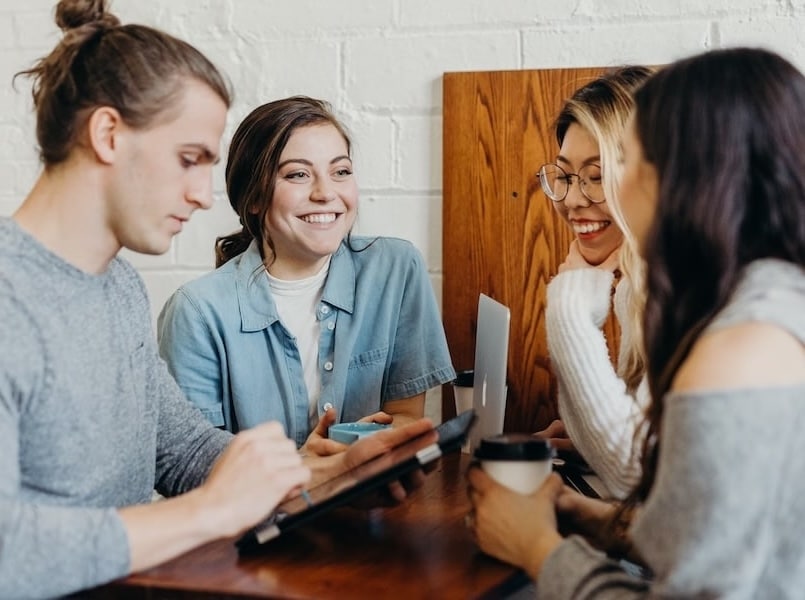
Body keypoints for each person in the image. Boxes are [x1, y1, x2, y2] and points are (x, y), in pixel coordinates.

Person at [0, 2, 434, 598]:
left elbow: (183, 451)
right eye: (188, 160)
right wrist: (213, 511)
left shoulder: (117, 288)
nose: (206, 196)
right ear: (107, 135)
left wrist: (323, 477)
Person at [468, 46, 805, 597]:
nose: (607, 192)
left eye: (628, 161)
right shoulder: (765, 301)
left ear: (691, 177)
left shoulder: (739, 348)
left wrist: (538, 548)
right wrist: (600, 523)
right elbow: (716, 537)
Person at [157, 96, 456, 450]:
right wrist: (310, 469)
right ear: (253, 197)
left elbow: (406, 417)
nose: (326, 193)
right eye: (298, 174)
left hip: (372, 499)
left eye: (340, 171)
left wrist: (366, 446)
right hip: (261, 506)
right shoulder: (196, 312)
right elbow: (194, 464)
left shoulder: (395, 269)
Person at [537, 66, 653, 499]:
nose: (571, 199)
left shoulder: (687, 290)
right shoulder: (635, 286)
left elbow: (635, 477)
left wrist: (569, 306)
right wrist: (588, 439)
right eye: (565, 176)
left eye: (597, 175)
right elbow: (641, 457)